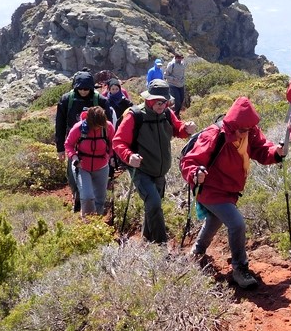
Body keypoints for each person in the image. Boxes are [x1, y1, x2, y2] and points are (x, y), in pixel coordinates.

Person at [180, 96, 284, 289]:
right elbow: (190, 161)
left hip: (229, 190)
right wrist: (195, 173)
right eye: (242, 129)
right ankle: (239, 268)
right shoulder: (215, 135)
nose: (245, 133)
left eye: (248, 129)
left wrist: (276, 153)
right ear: (233, 123)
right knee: (236, 224)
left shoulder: (249, 131)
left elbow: (262, 150)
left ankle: (196, 251)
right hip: (211, 189)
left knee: (214, 220)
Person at [113, 79, 196, 243]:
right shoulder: (134, 116)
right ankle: (161, 246)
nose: (161, 105)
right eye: (158, 102)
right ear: (148, 100)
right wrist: (129, 156)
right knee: (154, 203)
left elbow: (177, 129)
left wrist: (186, 129)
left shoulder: (166, 113)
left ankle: (146, 240)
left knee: (152, 207)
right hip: (141, 170)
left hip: (160, 171)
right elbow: (118, 142)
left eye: (164, 102)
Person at [55, 70, 114, 212]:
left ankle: (92, 206)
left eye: (86, 88)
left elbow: (109, 128)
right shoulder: (66, 100)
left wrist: (111, 154)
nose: (83, 91)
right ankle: (77, 198)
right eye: (80, 88)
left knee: (96, 181)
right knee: (73, 175)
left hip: (98, 145)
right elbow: (60, 124)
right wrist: (60, 149)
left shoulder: (100, 100)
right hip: (75, 144)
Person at [64, 106, 115, 218]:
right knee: (87, 196)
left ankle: (98, 222)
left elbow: (113, 143)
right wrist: (74, 157)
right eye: (96, 126)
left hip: (102, 166)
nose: (98, 128)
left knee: (100, 199)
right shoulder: (78, 128)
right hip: (82, 166)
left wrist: (111, 156)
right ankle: (87, 223)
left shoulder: (108, 127)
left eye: (100, 125)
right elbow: (68, 145)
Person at [165, 51, 187, 117]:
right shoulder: (171, 64)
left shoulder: (183, 64)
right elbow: (165, 75)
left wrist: (183, 79)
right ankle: (175, 115)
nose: (180, 59)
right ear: (176, 58)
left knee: (182, 99)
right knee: (177, 100)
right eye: (179, 58)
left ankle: (176, 113)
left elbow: (182, 73)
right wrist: (173, 78)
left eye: (181, 58)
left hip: (181, 85)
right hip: (173, 85)